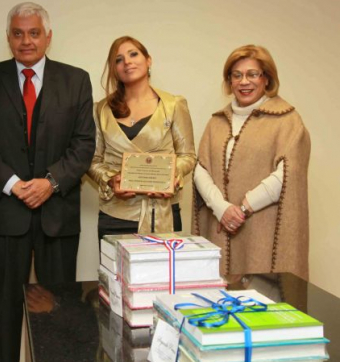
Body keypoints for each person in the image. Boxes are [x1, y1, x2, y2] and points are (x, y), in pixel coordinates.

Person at [0, 3, 95, 362]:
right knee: (5, 301)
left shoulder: (76, 80)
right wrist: (12, 183)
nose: (26, 40)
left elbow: (84, 144)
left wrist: (50, 183)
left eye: (34, 33)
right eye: (18, 33)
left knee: (58, 303)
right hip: (7, 213)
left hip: (58, 213)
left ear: (48, 36)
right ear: (9, 38)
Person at [193, 44, 310, 280]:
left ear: (266, 78)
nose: (244, 82)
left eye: (252, 74)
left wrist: (244, 208)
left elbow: (287, 174)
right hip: (220, 225)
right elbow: (200, 170)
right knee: (219, 303)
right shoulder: (217, 122)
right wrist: (222, 209)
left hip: (263, 230)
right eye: (236, 75)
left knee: (263, 303)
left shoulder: (288, 121)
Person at [88, 36, 196, 239]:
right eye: (118, 59)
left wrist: (171, 176)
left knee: (162, 271)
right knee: (114, 272)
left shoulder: (173, 105)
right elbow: (92, 160)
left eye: (133, 54)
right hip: (114, 215)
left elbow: (188, 156)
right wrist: (111, 180)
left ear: (149, 60)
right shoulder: (100, 110)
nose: (127, 62)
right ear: (114, 69)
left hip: (162, 214)